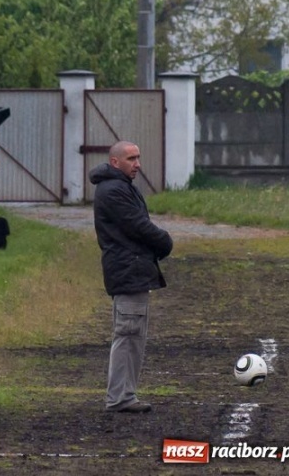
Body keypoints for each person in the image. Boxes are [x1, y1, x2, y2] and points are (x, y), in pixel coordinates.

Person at [89, 141, 173, 413]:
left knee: (132, 334)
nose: (137, 164)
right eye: (131, 158)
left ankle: (125, 394)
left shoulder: (119, 186)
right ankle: (120, 397)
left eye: (138, 157)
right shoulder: (114, 190)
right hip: (128, 269)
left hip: (131, 269)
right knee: (128, 333)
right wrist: (165, 241)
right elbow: (138, 226)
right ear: (115, 162)